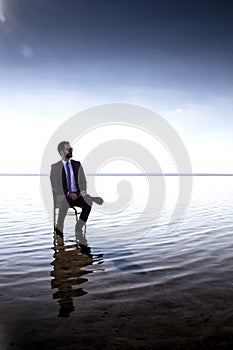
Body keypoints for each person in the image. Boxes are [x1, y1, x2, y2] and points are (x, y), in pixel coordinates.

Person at [50, 141, 102, 238]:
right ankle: (59, 226)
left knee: (88, 202)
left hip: (77, 195)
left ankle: (78, 227)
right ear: (61, 152)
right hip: (63, 196)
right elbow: (55, 185)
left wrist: (83, 190)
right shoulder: (55, 167)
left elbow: (83, 181)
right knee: (67, 199)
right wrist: (69, 193)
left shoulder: (77, 164)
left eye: (71, 149)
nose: (71, 151)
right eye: (68, 149)